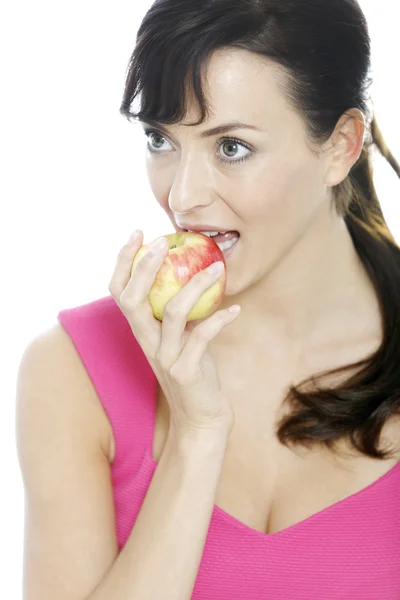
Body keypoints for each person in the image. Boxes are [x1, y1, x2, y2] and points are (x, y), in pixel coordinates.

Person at [16, 0, 400, 598]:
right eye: (160, 138)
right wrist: (196, 436)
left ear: (340, 146)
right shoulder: (70, 373)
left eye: (231, 148)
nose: (183, 197)